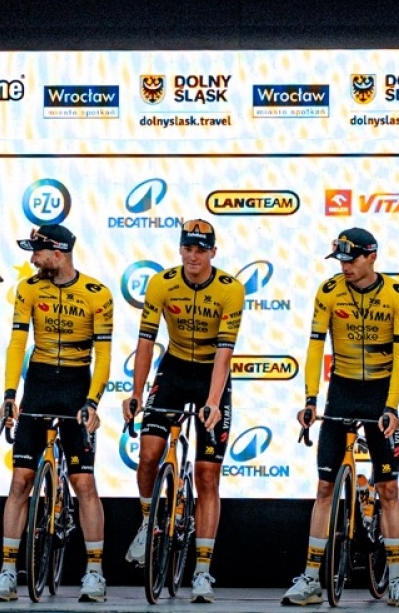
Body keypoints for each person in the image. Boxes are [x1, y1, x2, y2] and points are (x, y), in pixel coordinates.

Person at [284, 228, 399, 607]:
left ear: (372, 257)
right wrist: (310, 399)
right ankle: (311, 579)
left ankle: (396, 580)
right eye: (340, 260)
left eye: (352, 259)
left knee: (388, 490)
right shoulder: (328, 291)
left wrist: (392, 407)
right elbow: (315, 347)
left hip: (379, 394)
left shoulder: (397, 295)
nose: (345, 267)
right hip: (341, 392)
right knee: (324, 488)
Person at [0, 224, 114, 603]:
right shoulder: (28, 288)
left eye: (37, 252)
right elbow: (17, 343)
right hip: (40, 385)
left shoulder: (97, 294)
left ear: (57, 254)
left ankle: (95, 572)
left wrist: (93, 402)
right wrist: (10, 394)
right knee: (20, 481)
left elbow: (104, 355)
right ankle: (7, 571)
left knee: (84, 484)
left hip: (76, 386)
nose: (32, 259)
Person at [121, 219, 245, 603]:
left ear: (213, 253)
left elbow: (224, 353)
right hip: (174, 369)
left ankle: (203, 571)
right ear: (180, 249)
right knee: (148, 455)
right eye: (187, 248)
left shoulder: (230, 289)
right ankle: (148, 523)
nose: (193, 256)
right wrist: (136, 392)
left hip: (211, 373)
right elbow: (146, 341)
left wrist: (213, 402)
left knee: (207, 475)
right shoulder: (161, 283)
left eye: (201, 250)